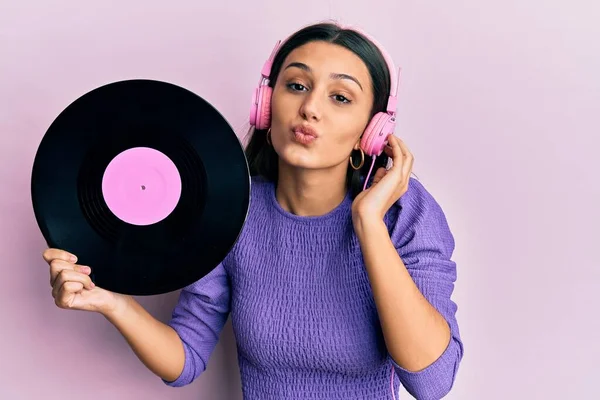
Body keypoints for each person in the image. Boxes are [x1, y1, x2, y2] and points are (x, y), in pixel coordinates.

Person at [43, 20, 463, 400]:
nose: (310, 108)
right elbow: (186, 358)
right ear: (265, 103)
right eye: (297, 85)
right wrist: (110, 302)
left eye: (340, 96)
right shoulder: (232, 211)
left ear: (371, 134)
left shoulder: (404, 213)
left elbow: (431, 381)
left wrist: (368, 223)